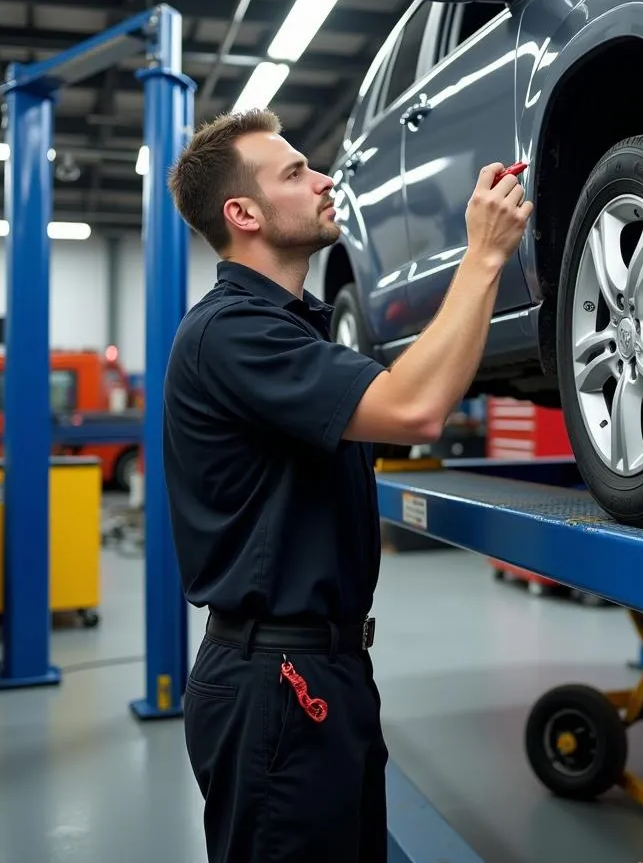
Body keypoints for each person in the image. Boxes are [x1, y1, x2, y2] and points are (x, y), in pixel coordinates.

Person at [162, 107, 533, 863]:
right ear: (244, 214)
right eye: (296, 172)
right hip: (279, 685)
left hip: (322, 671)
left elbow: (395, 412)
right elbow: (415, 409)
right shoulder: (233, 332)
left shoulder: (294, 328)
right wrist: (483, 257)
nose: (326, 179)